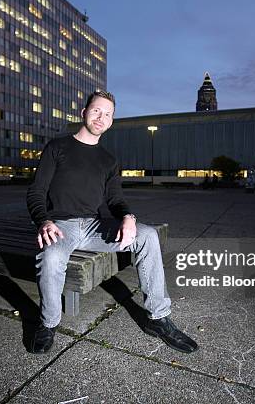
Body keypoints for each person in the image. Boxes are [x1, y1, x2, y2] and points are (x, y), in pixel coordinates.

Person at [26, 90, 198, 355]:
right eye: (96, 110)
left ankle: (158, 318)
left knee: (148, 235)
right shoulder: (58, 147)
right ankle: (48, 323)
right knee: (50, 257)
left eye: (107, 114)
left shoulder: (108, 160)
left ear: (111, 121)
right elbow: (37, 191)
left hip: (96, 226)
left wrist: (128, 217)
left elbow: (116, 199)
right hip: (63, 225)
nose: (101, 117)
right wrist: (43, 221)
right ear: (84, 112)